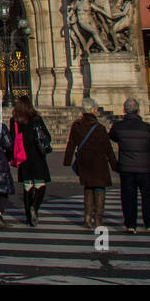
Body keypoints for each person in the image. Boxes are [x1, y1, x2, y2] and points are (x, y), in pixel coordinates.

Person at [109, 97, 150, 233]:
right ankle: (149, 222)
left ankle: (130, 224)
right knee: (146, 195)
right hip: (144, 167)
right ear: (138, 110)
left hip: (126, 168)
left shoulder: (118, 127)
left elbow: (113, 137)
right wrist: (149, 154)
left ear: (124, 110)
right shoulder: (146, 127)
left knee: (128, 197)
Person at [63, 97, 117, 230]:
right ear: (94, 110)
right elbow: (108, 148)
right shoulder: (99, 128)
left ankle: (87, 218)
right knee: (99, 189)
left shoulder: (77, 125)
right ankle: (98, 218)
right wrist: (114, 164)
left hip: (84, 162)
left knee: (88, 189)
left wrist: (67, 161)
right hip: (99, 163)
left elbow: (71, 144)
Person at [10, 95, 53, 226]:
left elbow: (12, 138)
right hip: (37, 155)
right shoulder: (36, 118)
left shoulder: (15, 120)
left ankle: (29, 217)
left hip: (23, 156)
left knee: (27, 185)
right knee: (40, 184)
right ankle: (35, 207)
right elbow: (47, 136)